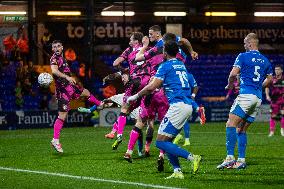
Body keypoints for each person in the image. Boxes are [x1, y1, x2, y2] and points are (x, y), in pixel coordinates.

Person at [128, 41, 201, 179]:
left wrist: (135, 96)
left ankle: (192, 158)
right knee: (168, 142)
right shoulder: (181, 64)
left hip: (178, 106)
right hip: (186, 105)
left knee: (160, 142)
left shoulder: (165, 66)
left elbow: (151, 87)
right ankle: (177, 171)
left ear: (165, 53)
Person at [217, 33, 273, 170]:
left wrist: (230, 85)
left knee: (230, 124)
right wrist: (259, 86)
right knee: (241, 129)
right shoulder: (266, 60)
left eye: (244, 43)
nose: (243, 46)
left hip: (246, 95)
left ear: (249, 43)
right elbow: (270, 80)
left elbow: (233, 73)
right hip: (258, 98)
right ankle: (241, 160)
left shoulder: (242, 56)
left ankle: (230, 158)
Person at [50, 40, 103, 153]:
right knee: (62, 116)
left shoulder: (62, 58)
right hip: (62, 90)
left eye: (58, 46)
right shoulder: (54, 59)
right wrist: (67, 77)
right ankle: (55, 140)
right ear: (52, 49)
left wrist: (71, 78)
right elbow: (54, 71)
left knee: (86, 92)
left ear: (62, 47)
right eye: (54, 47)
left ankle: (100, 104)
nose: (57, 48)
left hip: (70, 87)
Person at [102, 32, 152, 150]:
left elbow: (115, 63)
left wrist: (125, 69)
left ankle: (118, 134)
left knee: (124, 110)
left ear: (136, 41)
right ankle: (145, 148)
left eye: (131, 40)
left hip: (134, 81)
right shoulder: (149, 49)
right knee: (145, 120)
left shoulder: (129, 50)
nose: (129, 42)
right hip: (148, 83)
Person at [265, 64, 284, 137]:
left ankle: (282, 130)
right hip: (274, 101)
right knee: (273, 116)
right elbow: (266, 87)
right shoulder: (272, 79)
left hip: (283, 100)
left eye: (278, 69)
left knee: (283, 115)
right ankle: (272, 131)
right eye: (275, 70)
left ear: (281, 70)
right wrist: (267, 95)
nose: (276, 71)